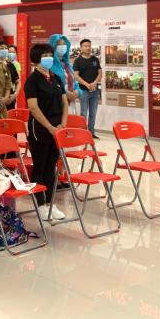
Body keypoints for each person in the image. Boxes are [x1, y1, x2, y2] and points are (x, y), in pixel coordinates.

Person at [24, 42, 69, 221]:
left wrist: (63, 124)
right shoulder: (32, 80)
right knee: (40, 168)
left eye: (50, 55)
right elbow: (33, 107)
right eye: (45, 56)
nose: (49, 58)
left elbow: (64, 102)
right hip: (40, 129)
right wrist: (50, 127)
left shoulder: (56, 78)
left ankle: (50, 203)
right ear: (36, 59)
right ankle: (40, 204)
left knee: (51, 167)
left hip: (57, 129)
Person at [73, 38, 101, 138]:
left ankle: (91, 132)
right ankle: (82, 133)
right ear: (81, 48)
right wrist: (87, 84)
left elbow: (100, 73)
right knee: (83, 113)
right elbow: (76, 76)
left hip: (95, 91)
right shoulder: (78, 61)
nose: (88, 48)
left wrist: (94, 83)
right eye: (85, 46)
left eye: (89, 46)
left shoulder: (95, 59)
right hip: (83, 91)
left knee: (93, 113)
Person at [48, 34, 81, 116]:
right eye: (59, 44)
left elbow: (75, 82)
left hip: (71, 104)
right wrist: (65, 93)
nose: (62, 46)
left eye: (64, 44)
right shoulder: (49, 65)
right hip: (56, 104)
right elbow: (49, 85)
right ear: (53, 46)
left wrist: (77, 92)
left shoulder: (68, 65)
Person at [0, 40, 20, 111]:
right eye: (1, 48)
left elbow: (18, 81)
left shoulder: (10, 65)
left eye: (5, 48)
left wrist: (15, 94)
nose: (4, 50)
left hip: (10, 100)